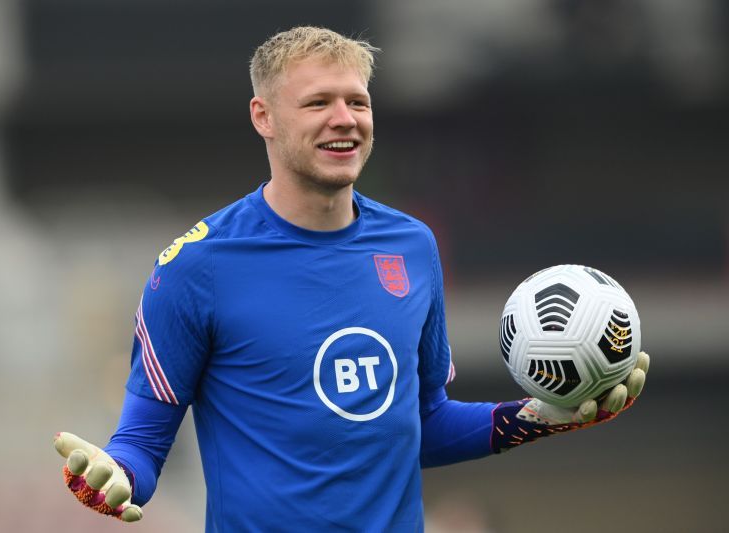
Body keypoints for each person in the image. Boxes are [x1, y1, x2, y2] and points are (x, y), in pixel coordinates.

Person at [54, 26, 649, 532]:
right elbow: (143, 443)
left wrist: (549, 416)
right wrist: (114, 478)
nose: (345, 120)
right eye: (318, 104)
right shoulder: (194, 267)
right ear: (263, 116)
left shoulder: (412, 245)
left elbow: (422, 425)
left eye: (357, 102)